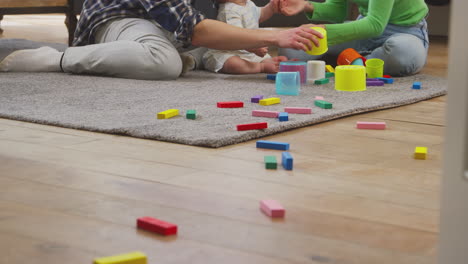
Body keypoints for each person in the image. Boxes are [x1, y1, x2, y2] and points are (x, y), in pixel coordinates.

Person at [0, 0, 323, 80]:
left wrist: (269, 12)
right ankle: (56, 58)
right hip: (123, 20)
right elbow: (195, 28)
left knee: (213, 51)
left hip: (175, 31)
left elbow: (228, 17)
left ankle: (184, 58)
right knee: (163, 62)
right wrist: (275, 35)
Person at [277, 0, 429, 76]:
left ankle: (349, 61)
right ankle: (359, 62)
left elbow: (375, 25)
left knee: (403, 54)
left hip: (405, 31)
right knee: (291, 48)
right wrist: (306, 5)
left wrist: (324, 31)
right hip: (363, 27)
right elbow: (336, 10)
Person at [203, 0, 288, 74]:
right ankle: (261, 67)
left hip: (248, 52)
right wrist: (254, 47)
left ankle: (269, 64)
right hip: (227, 52)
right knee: (234, 64)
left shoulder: (248, 4)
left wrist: (271, 8)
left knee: (265, 59)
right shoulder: (228, 10)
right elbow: (236, 37)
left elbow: (260, 15)